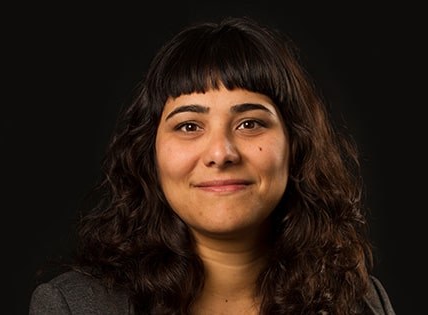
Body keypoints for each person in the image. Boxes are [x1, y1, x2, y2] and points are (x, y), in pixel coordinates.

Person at [29, 16, 396, 315]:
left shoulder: (359, 301)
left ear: (295, 145)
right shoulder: (74, 307)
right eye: (189, 126)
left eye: (250, 123)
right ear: (149, 153)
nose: (221, 153)